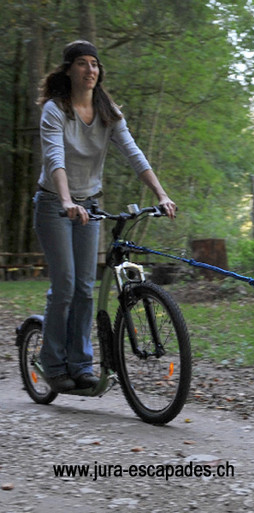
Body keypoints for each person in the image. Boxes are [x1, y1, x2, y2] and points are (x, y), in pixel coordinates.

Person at [34, 40, 177, 392]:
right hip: (55, 204)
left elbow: (133, 152)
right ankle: (52, 365)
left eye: (95, 63)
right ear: (68, 70)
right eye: (82, 63)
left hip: (91, 206)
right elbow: (56, 158)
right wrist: (67, 201)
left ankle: (81, 365)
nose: (90, 69)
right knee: (65, 286)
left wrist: (161, 194)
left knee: (85, 288)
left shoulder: (107, 111)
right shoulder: (55, 110)